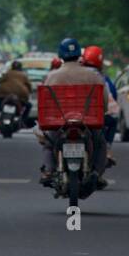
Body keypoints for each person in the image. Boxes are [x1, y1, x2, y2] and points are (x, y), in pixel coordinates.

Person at [38, 38, 108, 185]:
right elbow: (104, 98)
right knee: (100, 143)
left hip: (59, 122)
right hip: (88, 121)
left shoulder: (52, 76)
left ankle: (49, 170)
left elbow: (46, 101)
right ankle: (96, 173)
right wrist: (104, 110)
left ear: (61, 55)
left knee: (49, 143)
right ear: (79, 54)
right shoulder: (93, 75)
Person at [81, 45, 118, 173]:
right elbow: (111, 95)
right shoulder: (101, 78)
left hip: (71, 116)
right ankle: (107, 150)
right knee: (110, 124)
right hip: (94, 118)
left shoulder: (78, 74)